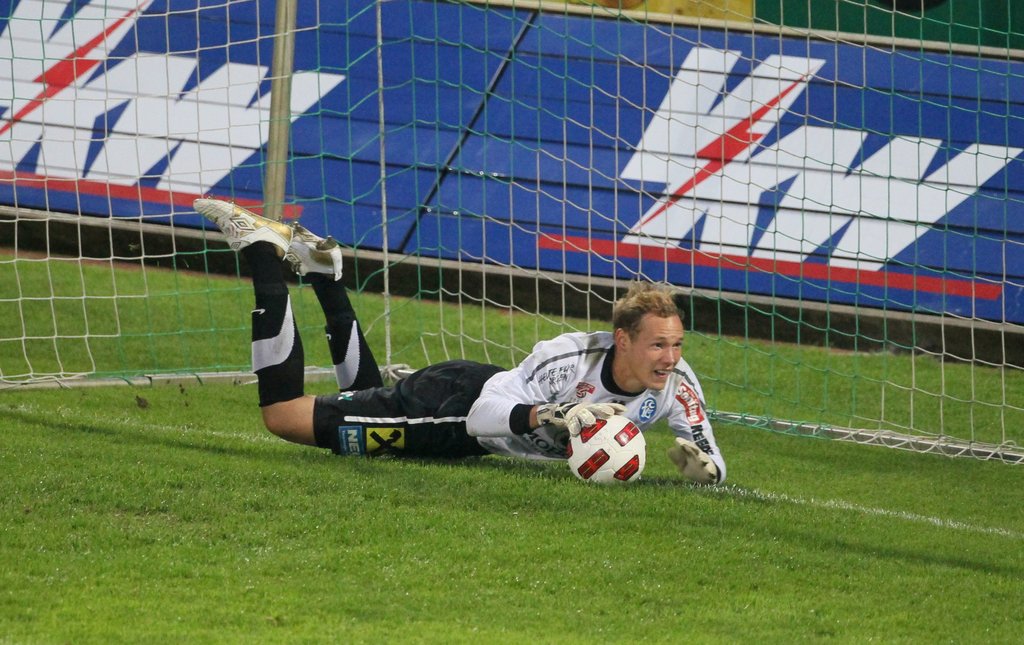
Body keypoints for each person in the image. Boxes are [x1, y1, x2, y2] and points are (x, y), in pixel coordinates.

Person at [193, 198, 726, 484]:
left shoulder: (677, 385)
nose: (670, 358)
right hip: (450, 413)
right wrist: (549, 414)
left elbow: (710, 458)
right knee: (283, 416)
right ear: (623, 340)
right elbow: (480, 417)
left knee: (364, 400)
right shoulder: (568, 359)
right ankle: (261, 249)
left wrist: (701, 469)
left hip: (451, 409)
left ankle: (324, 274)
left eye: (677, 345)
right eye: (659, 346)